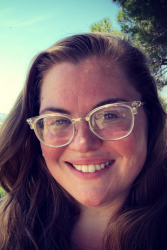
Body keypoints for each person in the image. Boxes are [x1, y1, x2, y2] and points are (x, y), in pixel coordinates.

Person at [0, 33, 166, 250]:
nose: (83, 143)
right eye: (58, 120)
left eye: (109, 115)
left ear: (150, 118)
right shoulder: (8, 229)